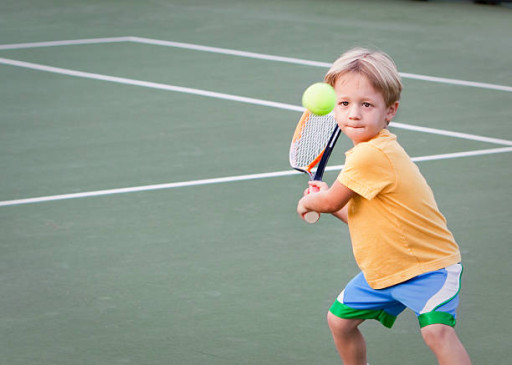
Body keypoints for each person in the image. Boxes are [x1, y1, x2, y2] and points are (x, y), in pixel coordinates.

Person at [296, 48, 471, 365]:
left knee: (437, 333)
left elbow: (333, 200)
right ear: (333, 108)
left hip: (427, 267)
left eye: (366, 105)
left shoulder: (370, 155)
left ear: (390, 111)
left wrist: (311, 200)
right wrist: (326, 201)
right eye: (344, 103)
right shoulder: (370, 153)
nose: (353, 114)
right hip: (385, 269)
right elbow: (358, 217)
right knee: (340, 322)